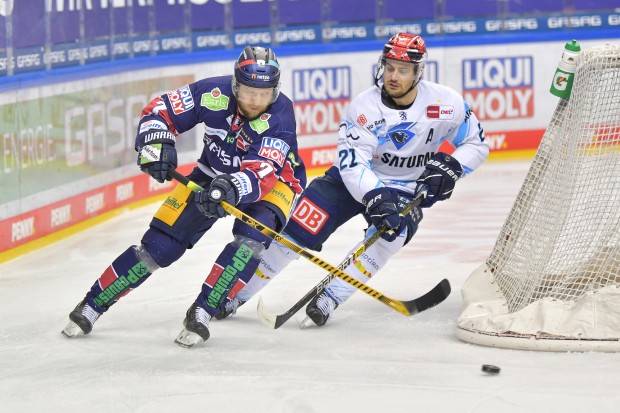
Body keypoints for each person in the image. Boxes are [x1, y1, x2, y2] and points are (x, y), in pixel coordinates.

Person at [219, 33, 489, 327]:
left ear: (418, 72)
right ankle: (235, 295)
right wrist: (375, 194)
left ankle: (330, 297)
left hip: (404, 188)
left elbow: (476, 144)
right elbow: (354, 165)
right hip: (351, 182)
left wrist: (452, 168)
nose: (393, 76)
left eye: (402, 70)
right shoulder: (364, 108)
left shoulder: (446, 104)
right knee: (297, 229)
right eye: (389, 67)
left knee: (390, 234)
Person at [61, 46, 306, 347]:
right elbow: (160, 110)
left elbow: (263, 171)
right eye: (248, 91)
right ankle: (91, 305)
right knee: (158, 247)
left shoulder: (281, 114)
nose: (256, 100)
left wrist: (229, 189)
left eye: (264, 92)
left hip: (274, 185)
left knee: (249, 244)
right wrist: (155, 143)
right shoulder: (211, 93)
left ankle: (203, 310)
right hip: (211, 173)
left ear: (275, 91)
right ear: (234, 84)